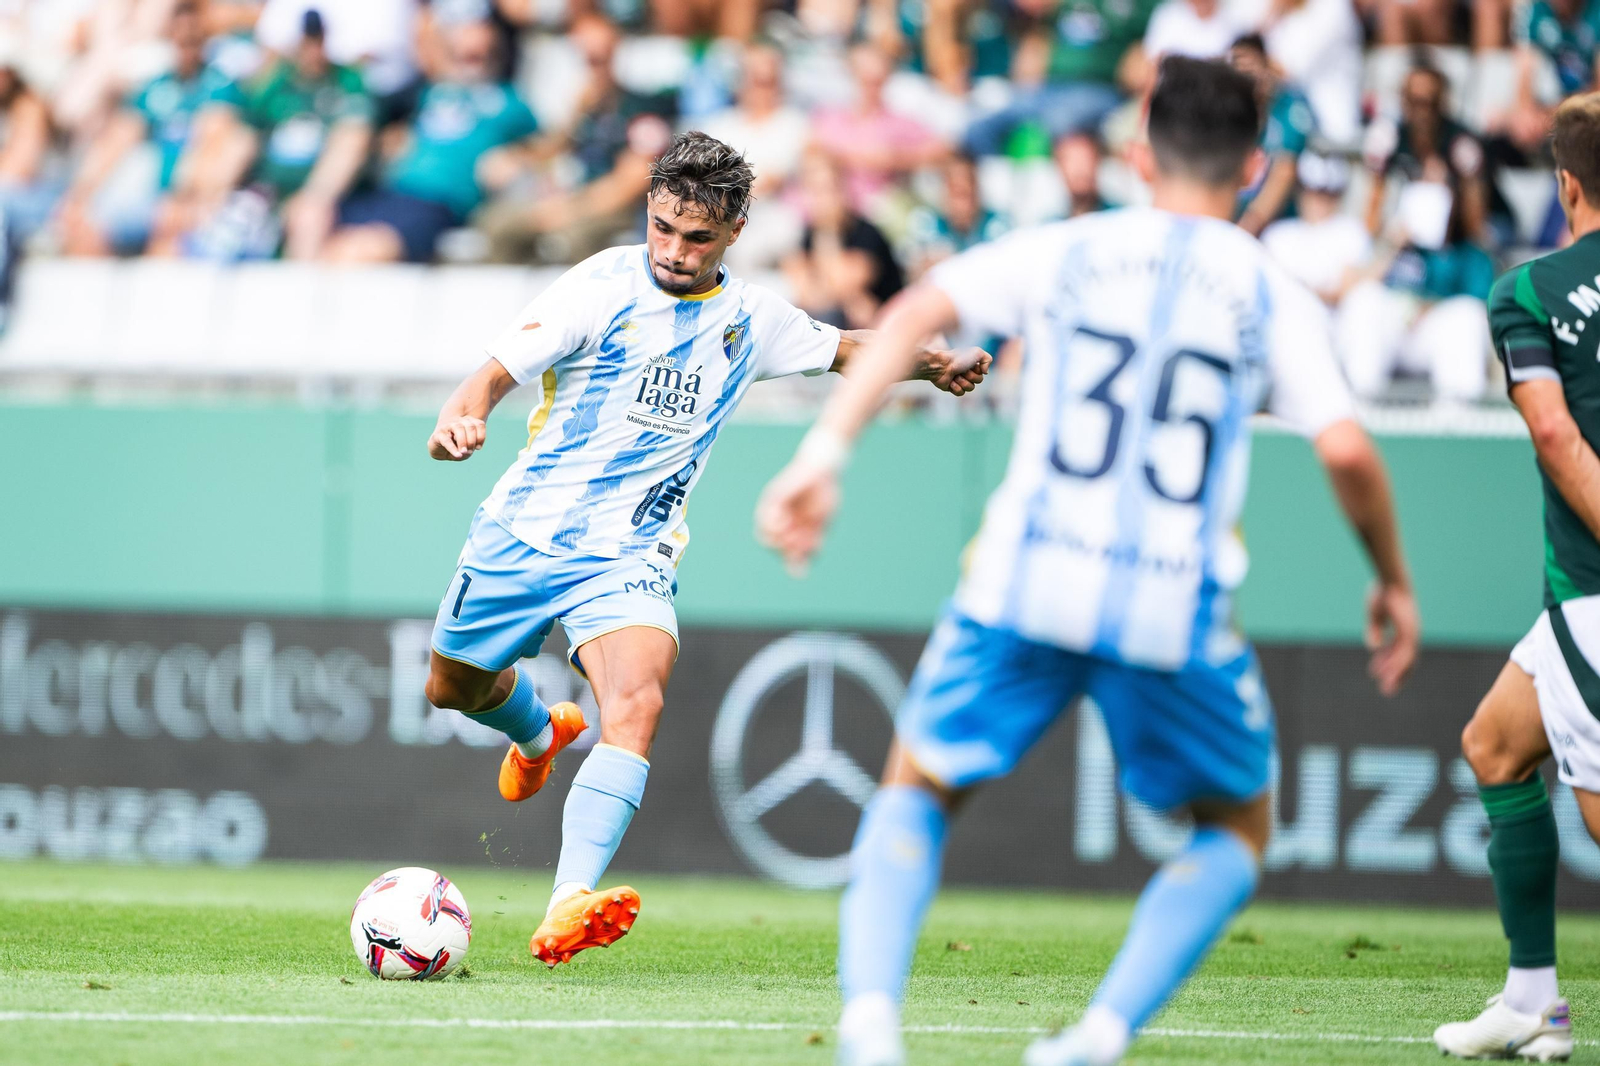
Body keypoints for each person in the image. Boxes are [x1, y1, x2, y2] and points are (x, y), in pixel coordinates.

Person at [756, 57, 1420, 1066]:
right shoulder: (1264, 290)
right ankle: (1096, 1037)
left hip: (1026, 572)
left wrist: (824, 451)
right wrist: (1390, 576)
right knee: (1237, 827)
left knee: (918, 785)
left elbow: (918, 313)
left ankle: (871, 1030)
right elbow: (1342, 446)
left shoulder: (1070, 248)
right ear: (1254, 164)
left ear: (1139, 140)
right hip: (1173, 601)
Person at [420, 131, 989, 969]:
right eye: (662, 228)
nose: (675, 252)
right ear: (649, 212)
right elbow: (498, 369)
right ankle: (540, 736)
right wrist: (459, 414)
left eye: (696, 237)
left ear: (734, 230)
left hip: (629, 553)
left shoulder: (751, 319)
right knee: (451, 687)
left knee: (638, 704)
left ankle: (567, 899)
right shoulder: (600, 286)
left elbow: (842, 349)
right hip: (523, 532)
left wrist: (930, 365)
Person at [1431, 91, 1600, 1064]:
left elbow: (1550, 430)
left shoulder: (1527, 291)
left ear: (1566, 183)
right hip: (1568, 608)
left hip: (1591, 589)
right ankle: (1532, 997)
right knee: (1495, 744)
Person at [320, 19, 536, 263]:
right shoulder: (428, 92)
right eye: (463, 53)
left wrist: (514, 157)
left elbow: (545, 145)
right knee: (315, 223)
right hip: (393, 193)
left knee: (365, 250)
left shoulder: (510, 103)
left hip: (440, 202)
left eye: (481, 53)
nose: (472, 59)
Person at [59, 1, 234, 256]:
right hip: (148, 189)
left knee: (169, 236)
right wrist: (81, 194)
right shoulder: (155, 86)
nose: (186, 44)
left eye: (193, 38)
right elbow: (122, 135)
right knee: (86, 231)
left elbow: (214, 141)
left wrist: (182, 195)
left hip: (186, 195)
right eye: (180, 36)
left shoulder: (218, 86)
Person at [1230, 33, 1315, 236]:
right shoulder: (1219, 107)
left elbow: (1284, 171)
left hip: (1279, 228)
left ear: (1266, 68)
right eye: (1238, 71)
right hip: (1228, 224)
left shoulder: (1289, 107)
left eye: (1251, 70)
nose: (1246, 80)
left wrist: (1242, 232)